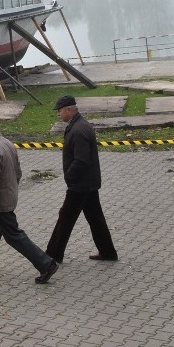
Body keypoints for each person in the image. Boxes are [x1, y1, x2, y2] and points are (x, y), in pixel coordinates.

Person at [0, 114, 59, 284]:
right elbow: (18, 172)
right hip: (6, 197)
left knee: (14, 236)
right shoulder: (6, 143)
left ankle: (46, 264)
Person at [45, 95, 118, 263]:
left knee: (65, 218)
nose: (58, 114)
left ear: (69, 110)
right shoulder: (79, 125)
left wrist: (70, 176)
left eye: (60, 111)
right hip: (88, 183)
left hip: (81, 185)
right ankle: (108, 252)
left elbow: (81, 159)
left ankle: (53, 255)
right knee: (95, 218)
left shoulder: (78, 130)